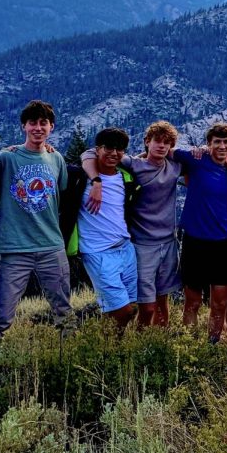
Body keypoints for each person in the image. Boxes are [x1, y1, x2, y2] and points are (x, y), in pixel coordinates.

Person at [0, 100, 71, 352]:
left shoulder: (56, 158)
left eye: (43, 123)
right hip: (14, 248)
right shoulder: (6, 158)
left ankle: (69, 357)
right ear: (23, 126)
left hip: (51, 246)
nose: (38, 128)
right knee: (2, 314)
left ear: (51, 127)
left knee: (63, 311)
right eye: (33, 123)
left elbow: (59, 192)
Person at [81, 120, 183, 327]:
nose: (161, 146)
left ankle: (156, 343)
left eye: (167, 142)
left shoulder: (175, 167)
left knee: (162, 299)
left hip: (169, 243)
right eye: (157, 141)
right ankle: (138, 343)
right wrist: (96, 181)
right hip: (141, 244)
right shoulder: (133, 165)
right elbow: (90, 153)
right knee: (146, 305)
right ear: (147, 142)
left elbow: (207, 158)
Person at [175, 123, 227, 348]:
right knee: (192, 302)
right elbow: (164, 151)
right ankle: (190, 348)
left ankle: (212, 346)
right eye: (217, 142)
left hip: (224, 243)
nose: (222, 146)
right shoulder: (196, 160)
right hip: (195, 241)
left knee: (220, 303)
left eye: (226, 142)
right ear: (209, 144)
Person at [74, 127, 139, 331]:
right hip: (98, 252)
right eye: (108, 148)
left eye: (119, 149)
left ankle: (111, 350)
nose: (114, 153)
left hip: (125, 248)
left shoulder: (126, 178)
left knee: (131, 307)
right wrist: (95, 181)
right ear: (98, 149)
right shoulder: (79, 177)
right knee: (123, 311)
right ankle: (105, 348)